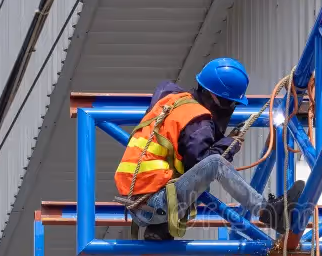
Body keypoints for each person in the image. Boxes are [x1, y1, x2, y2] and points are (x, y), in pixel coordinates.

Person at [114, 57, 304, 241]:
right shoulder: (197, 118)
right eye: (231, 104)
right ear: (217, 99)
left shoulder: (174, 102)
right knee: (215, 163)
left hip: (140, 204)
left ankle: (160, 228)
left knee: (186, 168)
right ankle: (269, 213)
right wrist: (229, 145)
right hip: (156, 204)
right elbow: (201, 163)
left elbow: (184, 152)